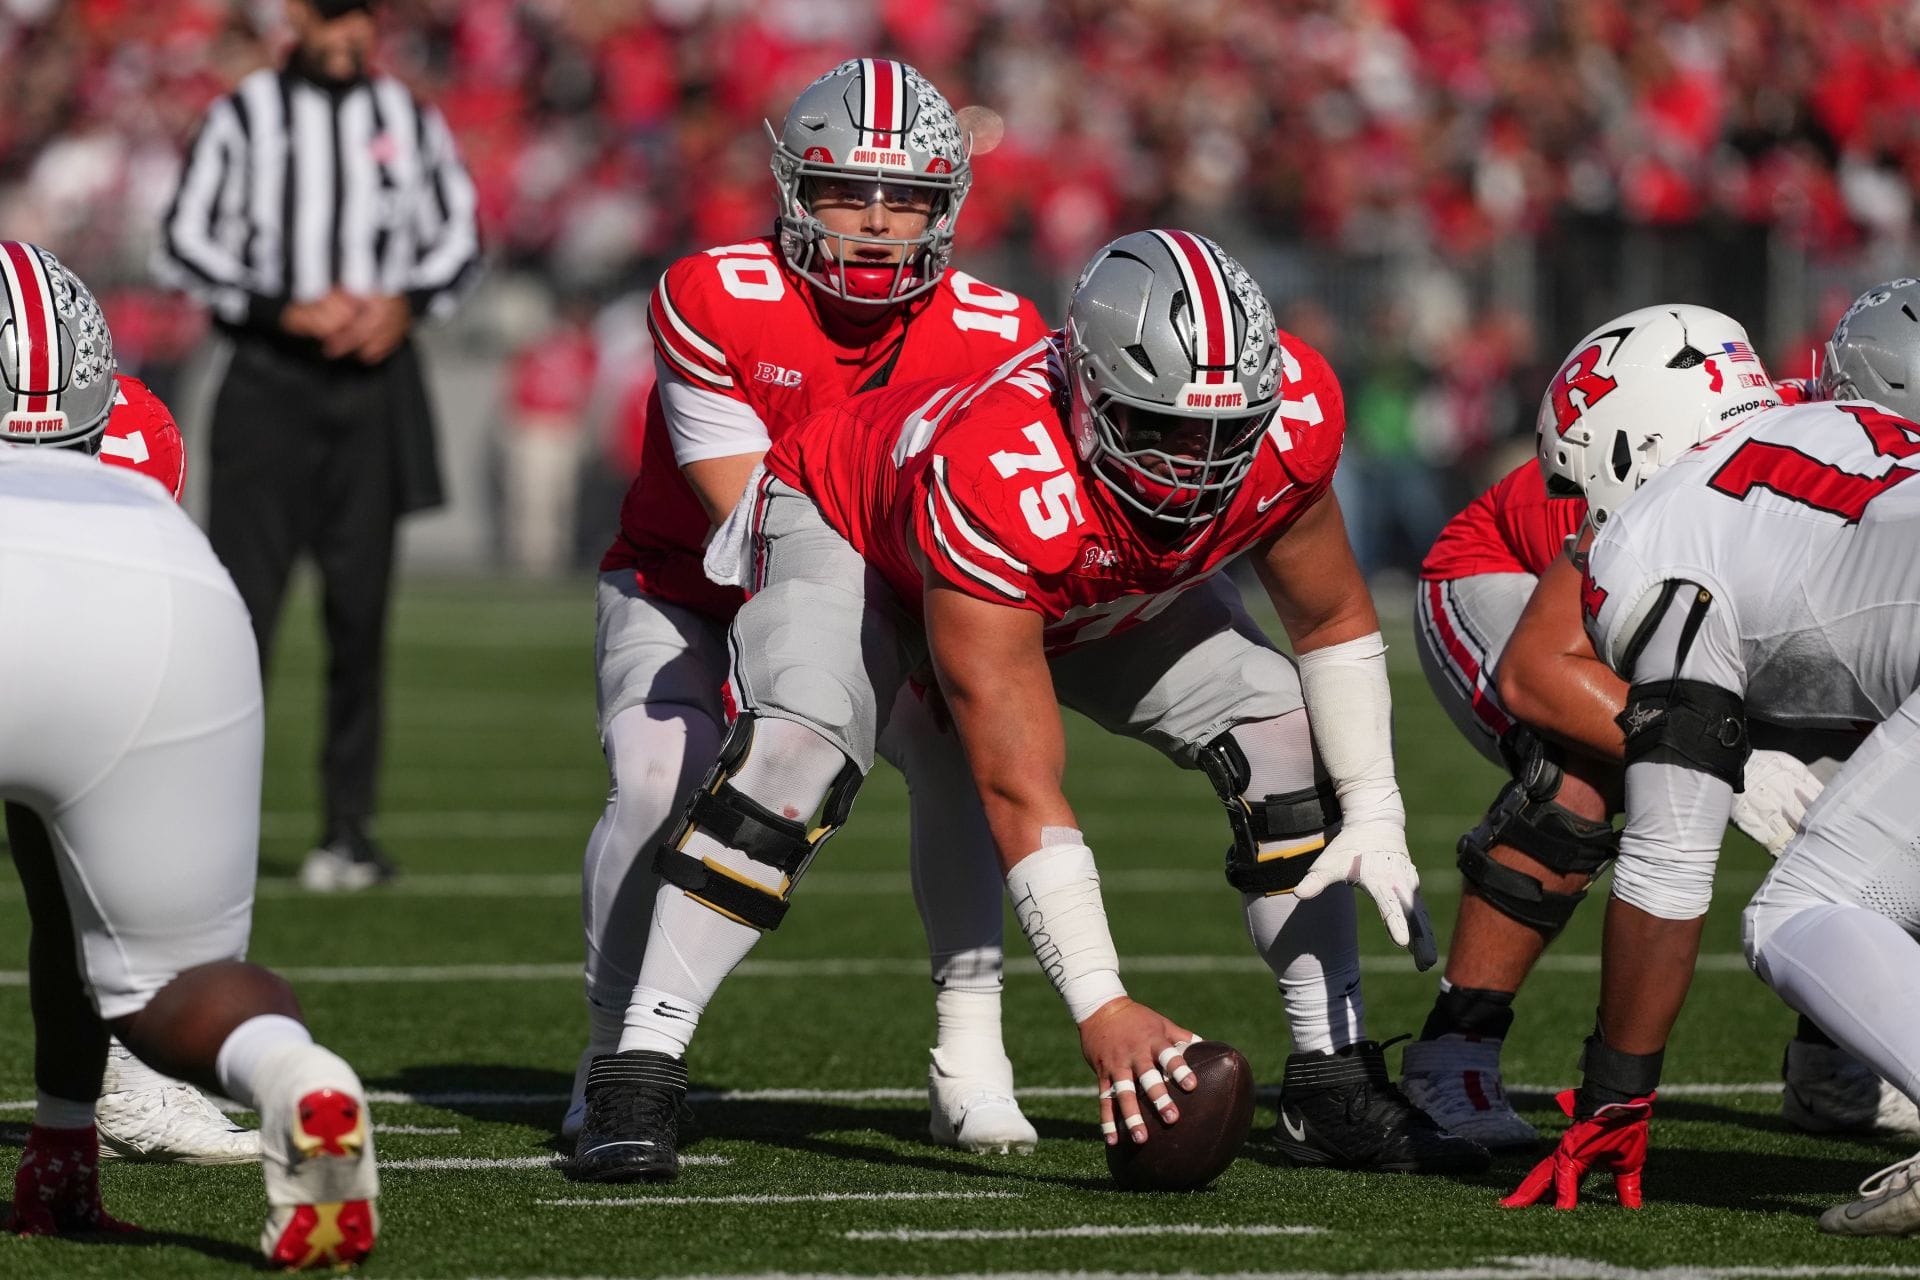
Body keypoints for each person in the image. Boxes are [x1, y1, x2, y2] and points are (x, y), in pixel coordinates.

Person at [571, 229, 1488, 1183]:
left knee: (1286, 734)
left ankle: (1331, 1082)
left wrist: (1374, 805)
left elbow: (1331, 619)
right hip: (851, 527)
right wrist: (1102, 1003)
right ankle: (636, 1072)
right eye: (1161, 429)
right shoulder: (1006, 470)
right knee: (796, 755)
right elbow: (1017, 782)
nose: (1198, 465)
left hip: (1091, 577)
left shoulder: (1291, 414)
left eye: (1227, 432)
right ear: (1086, 391)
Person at [570, 58, 1049, 1154]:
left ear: (945, 207)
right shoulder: (717, 295)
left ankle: (970, 1051)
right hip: (686, 582)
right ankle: (609, 1054)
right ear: (795, 189)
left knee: (970, 751)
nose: (875, 222)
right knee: (659, 775)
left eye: (905, 198)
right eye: (846, 191)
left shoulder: (998, 329)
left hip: (894, 597)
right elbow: (748, 518)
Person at [1402, 313, 1917, 1147]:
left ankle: (1833, 1068)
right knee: (1584, 767)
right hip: (1511, 579)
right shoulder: (1689, 450)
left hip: (1694, 607)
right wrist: (1739, 768)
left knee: (1879, 791)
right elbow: (1540, 671)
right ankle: (1454, 1051)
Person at [0, 245, 378, 1267]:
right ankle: (291, 1073)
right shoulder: (139, 431)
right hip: (169, 601)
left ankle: (75, 1139)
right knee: (169, 979)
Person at [152, 0, 481, 891]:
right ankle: (205, 832)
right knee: (239, 619)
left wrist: (403, 304)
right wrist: (279, 306)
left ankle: (347, 832)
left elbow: (460, 237)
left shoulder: (407, 116)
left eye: (360, 15)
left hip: (372, 391)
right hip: (268, 383)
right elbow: (181, 239)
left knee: (360, 618)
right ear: (295, 17)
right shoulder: (243, 115)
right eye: (331, 15)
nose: (348, 34)